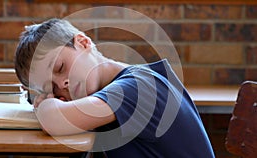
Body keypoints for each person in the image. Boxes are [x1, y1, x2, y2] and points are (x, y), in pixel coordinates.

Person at [14, 18, 215, 158]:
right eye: (52, 89)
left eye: (60, 67)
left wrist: (46, 104)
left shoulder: (138, 87)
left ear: (83, 43)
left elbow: (57, 120)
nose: (62, 85)